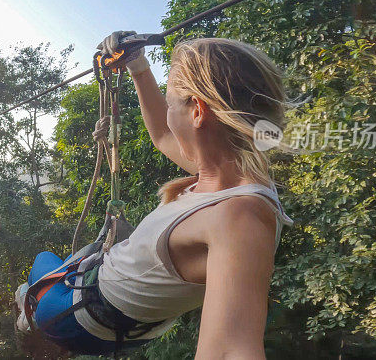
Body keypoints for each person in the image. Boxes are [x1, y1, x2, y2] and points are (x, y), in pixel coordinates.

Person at [15, 32, 294, 359]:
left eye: (171, 99)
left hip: (77, 318)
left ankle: (27, 308)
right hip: (112, 309)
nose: (167, 111)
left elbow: (232, 350)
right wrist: (138, 66)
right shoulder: (225, 173)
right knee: (65, 265)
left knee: (42, 263)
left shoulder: (238, 217)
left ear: (198, 111)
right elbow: (162, 135)